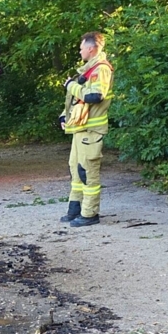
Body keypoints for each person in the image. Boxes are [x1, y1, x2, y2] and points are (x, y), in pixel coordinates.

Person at [60, 32, 113, 227]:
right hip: (80, 130)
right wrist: (64, 116)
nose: (79, 50)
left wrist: (71, 86)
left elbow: (95, 96)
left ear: (91, 48)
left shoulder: (101, 70)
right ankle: (75, 209)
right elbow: (79, 100)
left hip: (92, 131)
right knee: (75, 170)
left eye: (81, 47)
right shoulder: (89, 70)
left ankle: (90, 214)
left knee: (87, 172)